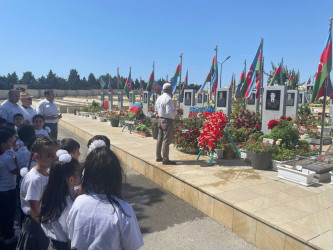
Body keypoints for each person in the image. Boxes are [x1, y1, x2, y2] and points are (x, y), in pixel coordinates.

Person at [67, 140, 143, 249]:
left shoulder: (79, 202)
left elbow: (71, 238)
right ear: (116, 176)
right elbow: (132, 246)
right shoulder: (123, 210)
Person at [17, 136, 59, 250]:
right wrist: (47, 230)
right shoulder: (35, 180)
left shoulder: (47, 172)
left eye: (56, 155)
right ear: (37, 157)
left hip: (44, 220)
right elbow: (34, 211)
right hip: (36, 224)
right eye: (49, 156)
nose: (54, 159)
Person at [40, 150, 81, 250]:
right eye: (79, 175)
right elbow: (71, 237)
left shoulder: (50, 195)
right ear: (71, 179)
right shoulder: (66, 207)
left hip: (53, 244)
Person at [0, 128, 20, 245]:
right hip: (8, 190)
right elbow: (15, 171)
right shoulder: (6, 158)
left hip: (2, 190)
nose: (11, 143)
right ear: (3, 145)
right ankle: (8, 236)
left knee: (3, 213)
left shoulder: (3, 156)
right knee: (9, 213)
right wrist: (16, 159)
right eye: (9, 142)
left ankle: (3, 232)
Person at [155, 83, 178, 165]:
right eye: (171, 89)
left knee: (160, 139)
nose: (172, 91)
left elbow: (156, 109)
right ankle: (165, 159)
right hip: (167, 121)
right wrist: (176, 112)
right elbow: (170, 112)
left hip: (160, 119)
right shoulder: (169, 99)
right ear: (169, 90)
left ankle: (158, 156)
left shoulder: (159, 98)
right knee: (166, 140)